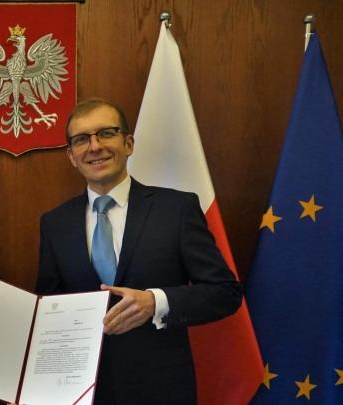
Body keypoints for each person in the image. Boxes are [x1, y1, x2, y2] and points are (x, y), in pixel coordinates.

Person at [36, 98, 241, 404]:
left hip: (160, 389)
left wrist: (155, 302)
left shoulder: (176, 209)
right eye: (81, 140)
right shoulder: (55, 223)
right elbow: (49, 310)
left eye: (106, 133)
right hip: (82, 393)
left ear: (128, 143)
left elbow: (225, 292)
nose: (95, 146)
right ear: (71, 156)